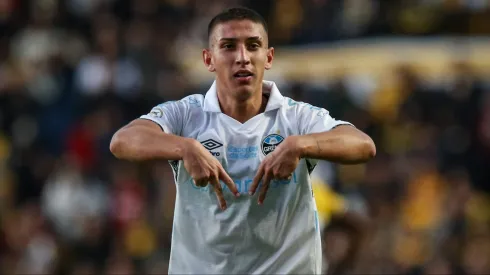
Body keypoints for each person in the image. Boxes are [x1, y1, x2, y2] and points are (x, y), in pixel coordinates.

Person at [109, 7, 376, 274]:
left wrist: (299, 145)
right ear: (209, 59)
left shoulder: (296, 117)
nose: (242, 57)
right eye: (228, 46)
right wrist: (185, 148)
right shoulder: (186, 114)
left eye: (253, 46)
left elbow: (362, 144)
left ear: (268, 57)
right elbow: (123, 141)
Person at [311, 177, 370, 274]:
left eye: (343, 246)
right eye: (338, 235)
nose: (337, 244)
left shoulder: (320, 269)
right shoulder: (316, 219)